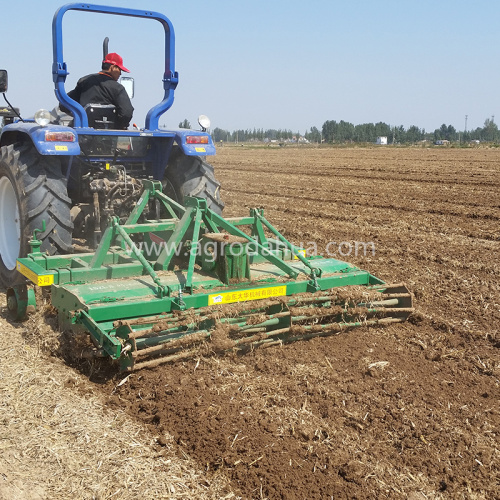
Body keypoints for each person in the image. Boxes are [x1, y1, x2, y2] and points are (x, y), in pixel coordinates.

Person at [62, 52, 134, 129]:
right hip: (108, 137)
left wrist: (78, 117)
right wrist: (118, 126)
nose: (120, 73)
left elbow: (64, 105)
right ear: (112, 68)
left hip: (82, 135)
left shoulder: (84, 81)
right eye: (119, 69)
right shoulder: (117, 88)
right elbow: (126, 113)